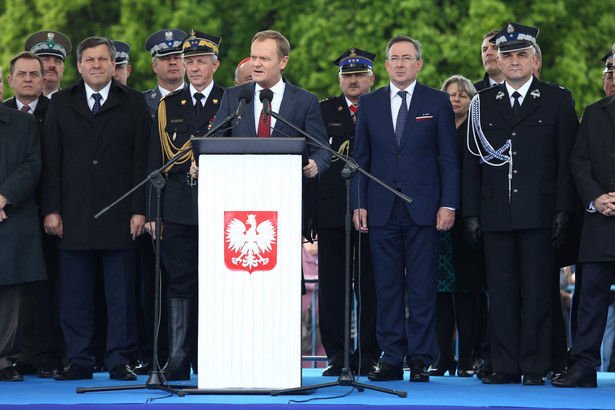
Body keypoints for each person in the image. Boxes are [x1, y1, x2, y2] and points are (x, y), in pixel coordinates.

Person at [463, 23, 578, 385]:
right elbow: (471, 165)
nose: (513, 61)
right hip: (495, 213)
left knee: (540, 293)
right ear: (497, 59)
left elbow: (566, 161)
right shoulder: (481, 103)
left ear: (534, 60)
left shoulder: (557, 98)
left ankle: (535, 366)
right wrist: (470, 213)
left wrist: (564, 209)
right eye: (507, 55)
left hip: (540, 214)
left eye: (521, 55)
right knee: (501, 294)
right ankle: (504, 365)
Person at [41, 36, 151, 381]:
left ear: (114, 64)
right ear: (79, 66)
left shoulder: (133, 102)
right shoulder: (60, 103)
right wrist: (51, 209)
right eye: (89, 60)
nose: (96, 65)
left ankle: (119, 360)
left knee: (121, 296)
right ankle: (79, 360)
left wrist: (140, 209)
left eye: (103, 59)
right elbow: (51, 161)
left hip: (121, 216)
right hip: (72, 215)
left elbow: (142, 161)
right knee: (74, 297)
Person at [351, 35, 459, 383]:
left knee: (424, 287)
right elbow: (360, 160)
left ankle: (420, 360)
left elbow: (449, 160)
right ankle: (392, 358)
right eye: (394, 58)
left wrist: (448, 204)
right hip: (380, 210)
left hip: (425, 210)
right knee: (386, 287)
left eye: (407, 58)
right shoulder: (369, 104)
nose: (400, 63)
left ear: (419, 64)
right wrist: (359, 204)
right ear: (385, 65)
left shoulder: (438, 101)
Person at [145, 29, 225, 381]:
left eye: (200, 61)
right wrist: (152, 213)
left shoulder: (231, 99)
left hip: (221, 204)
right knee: (179, 281)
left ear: (214, 65)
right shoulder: (168, 105)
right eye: (187, 61)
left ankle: (212, 355)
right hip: (178, 204)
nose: (192, 67)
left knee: (220, 282)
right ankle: (177, 357)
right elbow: (154, 163)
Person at [554, 42, 615, 388]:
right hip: (600, 219)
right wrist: (597, 197)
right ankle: (584, 366)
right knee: (589, 298)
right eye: (612, 68)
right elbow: (578, 163)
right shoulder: (594, 112)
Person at [317, 47, 380, 377]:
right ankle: (337, 355)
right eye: (347, 75)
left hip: (373, 210)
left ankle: (368, 354)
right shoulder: (323, 109)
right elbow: (312, 160)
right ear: (339, 79)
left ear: (372, 78)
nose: (353, 80)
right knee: (331, 287)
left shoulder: (382, 108)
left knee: (371, 285)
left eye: (359, 75)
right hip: (331, 211)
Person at [3, 51, 65, 378]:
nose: (28, 79)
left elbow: (38, 165)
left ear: (44, 80)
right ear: (10, 81)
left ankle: (40, 354)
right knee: (14, 291)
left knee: (42, 290)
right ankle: (16, 356)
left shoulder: (57, 111)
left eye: (34, 74)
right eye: (21, 74)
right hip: (14, 215)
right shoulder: (7, 113)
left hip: (45, 212)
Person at [209, 30, 330, 178]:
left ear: (283, 62)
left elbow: (322, 150)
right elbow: (212, 141)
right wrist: (201, 161)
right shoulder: (233, 96)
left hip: (286, 187)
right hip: (240, 186)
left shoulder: (305, 101)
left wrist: (315, 164)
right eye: (254, 57)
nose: (256, 64)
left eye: (264, 58)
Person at [430, 75, 483, 378]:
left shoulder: (478, 132)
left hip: (467, 220)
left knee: (466, 291)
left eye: (463, 95)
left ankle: (467, 360)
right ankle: (442, 357)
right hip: (435, 219)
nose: (456, 99)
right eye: (450, 94)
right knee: (438, 292)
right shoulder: (434, 128)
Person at [0, 69, 47, 382]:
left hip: (11, 216)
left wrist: (4, 197)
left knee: (10, 293)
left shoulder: (23, 122)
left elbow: (33, 164)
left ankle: (5, 360)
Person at [143, 29, 187, 118]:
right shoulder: (141, 104)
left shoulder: (200, 98)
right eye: (165, 58)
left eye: (177, 57)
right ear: (155, 66)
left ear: (186, 63)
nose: (172, 62)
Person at [24, 30, 72, 97]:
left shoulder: (76, 105)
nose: (52, 65)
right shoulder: (15, 105)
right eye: (45, 59)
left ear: (63, 69)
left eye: (57, 61)